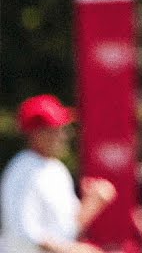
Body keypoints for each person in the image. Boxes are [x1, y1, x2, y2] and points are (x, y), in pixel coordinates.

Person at [0, 95, 117, 253]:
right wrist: (72, 250)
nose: (64, 136)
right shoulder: (22, 171)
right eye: (57, 130)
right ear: (37, 133)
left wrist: (94, 201)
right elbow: (25, 233)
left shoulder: (56, 169)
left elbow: (67, 228)